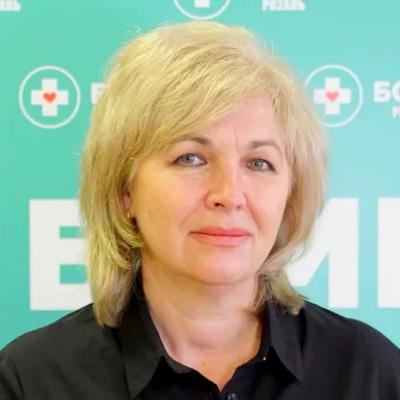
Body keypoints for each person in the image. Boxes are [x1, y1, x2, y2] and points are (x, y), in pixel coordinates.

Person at [1, 21, 399, 400]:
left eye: (259, 163)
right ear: (125, 190)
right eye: (190, 158)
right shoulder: (32, 379)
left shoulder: (368, 371)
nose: (229, 194)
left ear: (291, 194)